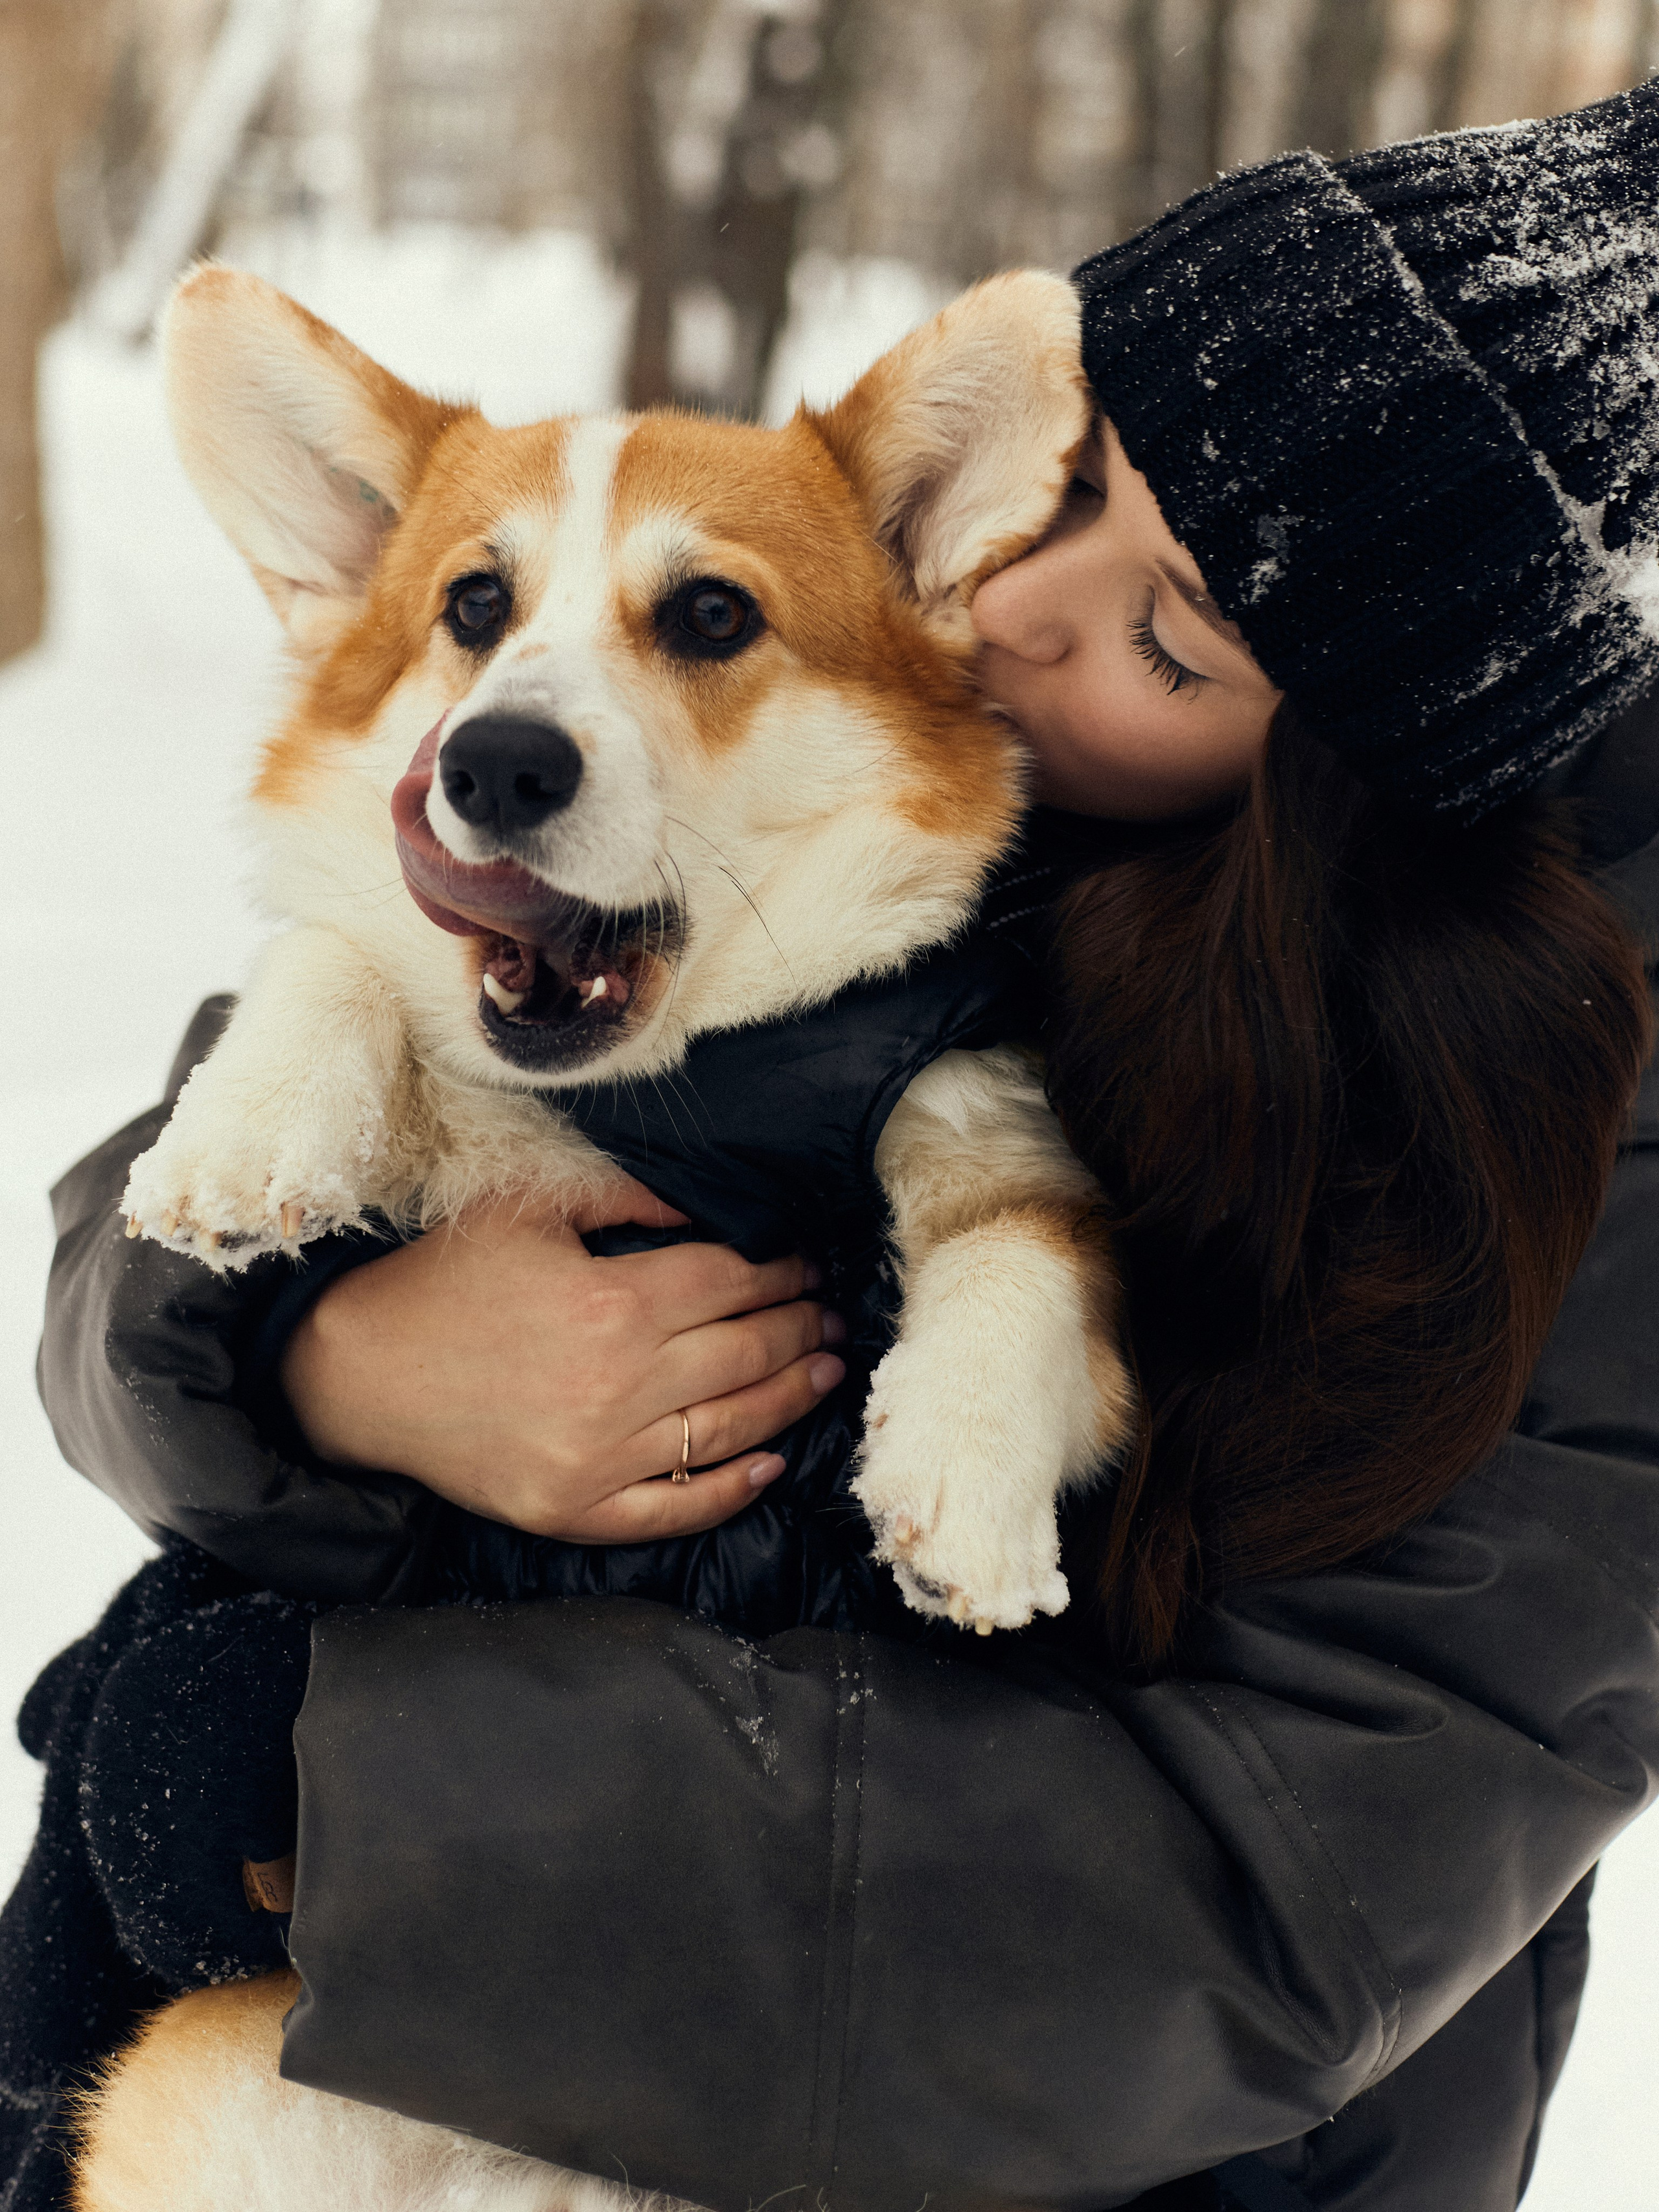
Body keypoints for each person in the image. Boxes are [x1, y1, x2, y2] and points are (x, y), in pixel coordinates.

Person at [21, 83, 1659, 2212]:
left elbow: (1265, 1906)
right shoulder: (893, 793)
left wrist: (370, 1795)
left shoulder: (1572, 1129)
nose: (990, 609)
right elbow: (152, 1231)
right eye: (1055, 488)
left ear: (1380, 764)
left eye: (1168, 625)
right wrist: (322, 1352)